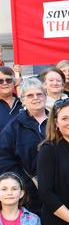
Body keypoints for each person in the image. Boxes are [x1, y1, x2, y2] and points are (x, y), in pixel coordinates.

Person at [0, 78, 48, 216]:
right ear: (23, 100)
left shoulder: (57, 121)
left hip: (60, 189)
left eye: (39, 94)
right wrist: (24, 184)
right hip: (31, 195)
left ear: (45, 96)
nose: (36, 98)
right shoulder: (14, 127)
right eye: (30, 95)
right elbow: (4, 159)